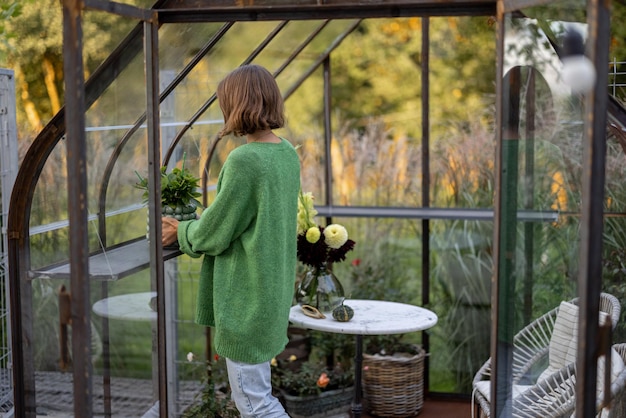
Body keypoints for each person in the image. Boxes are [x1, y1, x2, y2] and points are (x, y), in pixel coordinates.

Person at [162, 64, 300, 418]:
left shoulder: (245, 160)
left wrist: (180, 231)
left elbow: (216, 233)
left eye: (226, 102)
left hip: (246, 301)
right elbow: (247, 216)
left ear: (237, 105)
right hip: (270, 295)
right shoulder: (286, 153)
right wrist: (202, 219)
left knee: (255, 405)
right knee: (259, 395)